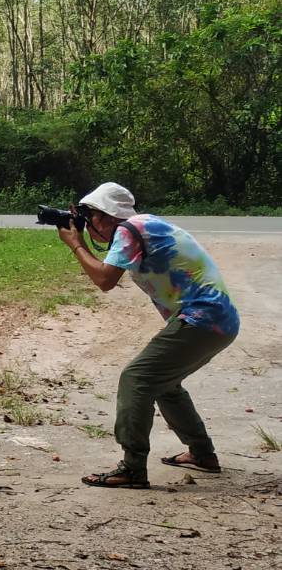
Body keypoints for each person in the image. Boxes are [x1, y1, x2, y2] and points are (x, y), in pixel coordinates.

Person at [59, 182, 241, 490]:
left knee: (137, 377)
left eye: (88, 218)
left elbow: (104, 280)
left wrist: (75, 244)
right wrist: (83, 238)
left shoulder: (129, 229)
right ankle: (202, 454)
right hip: (218, 320)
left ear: (104, 217)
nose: (86, 225)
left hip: (202, 318)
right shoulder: (143, 225)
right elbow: (106, 270)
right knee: (164, 384)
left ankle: (132, 468)